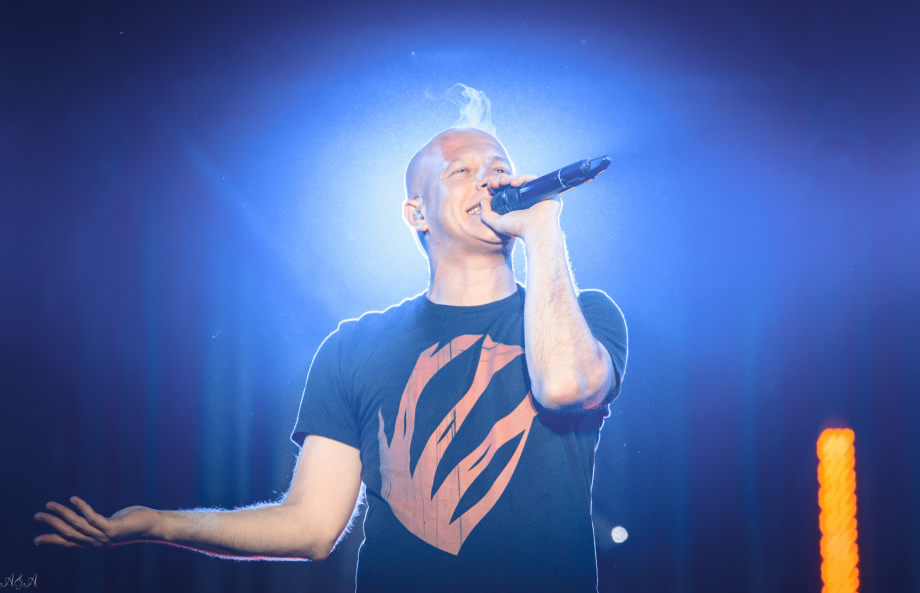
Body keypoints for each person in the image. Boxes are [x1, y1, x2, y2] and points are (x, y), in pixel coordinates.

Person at [34, 128, 628, 592]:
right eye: (462, 171)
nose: (490, 181)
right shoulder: (355, 346)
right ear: (416, 213)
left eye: (499, 168)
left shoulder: (586, 316)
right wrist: (159, 523)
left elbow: (563, 384)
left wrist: (545, 234)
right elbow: (313, 526)